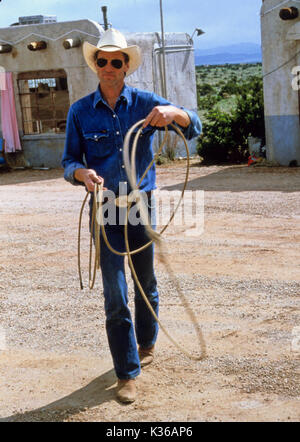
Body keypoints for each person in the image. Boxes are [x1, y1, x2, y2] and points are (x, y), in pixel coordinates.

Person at [61, 28, 201, 403]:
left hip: (142, 202)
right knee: (115, 293)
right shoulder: (79, 111)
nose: (109, 67)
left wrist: (175, 112)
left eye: (116, 61)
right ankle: (127, 373)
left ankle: (147, 342)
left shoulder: (144, 103)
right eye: (102, 60)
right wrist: (82, 174)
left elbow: (195, 125)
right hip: (104, 206)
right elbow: (69, 161)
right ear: (96, 65)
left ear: (126, 67)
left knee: (145, 281)